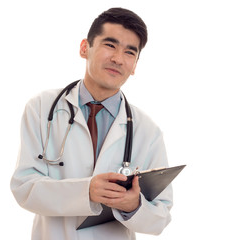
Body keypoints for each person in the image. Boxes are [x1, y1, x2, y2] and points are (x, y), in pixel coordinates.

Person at [11, 7, 172, 240]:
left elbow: (161, 216)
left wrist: (134, 206)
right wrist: (87, 191)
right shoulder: (42, 108)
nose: (118, 58)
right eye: (110, 45)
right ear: (85, 48)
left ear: (135, 64)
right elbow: (24, 188)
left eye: (129, 52)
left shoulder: (148, 130)